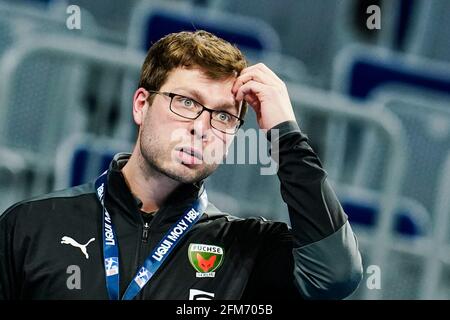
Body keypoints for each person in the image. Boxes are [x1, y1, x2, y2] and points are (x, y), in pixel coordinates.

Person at [0, 30, 362, 300]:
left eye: (222, 116)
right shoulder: (33, 225)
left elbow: (337, 274)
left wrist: (285, 134)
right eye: (186, 102)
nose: (201, 128)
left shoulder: (245, 250)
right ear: (141, 104)